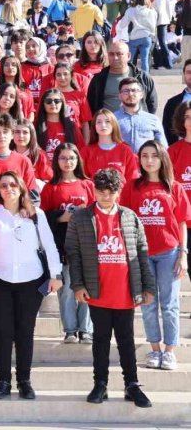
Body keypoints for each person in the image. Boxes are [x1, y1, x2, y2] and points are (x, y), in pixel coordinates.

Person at [65, 168, 155, 408]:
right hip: (98, 291)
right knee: (100, 340)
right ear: (94, 190)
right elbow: (73, 254)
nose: (106, 196)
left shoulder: (130, 217)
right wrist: (78, 285)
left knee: (126, 340)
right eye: (101, 191)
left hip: (125, 291)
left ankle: (132, 385)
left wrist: (148, 287)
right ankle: (100, 384)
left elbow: (142, 254)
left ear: (119, 192)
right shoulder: (81, 218)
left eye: (111, 191)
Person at [0, 171, 63, 400]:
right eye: (3, 186)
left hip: (31, 280)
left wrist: (56, 274)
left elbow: (49, 245)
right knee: (3, 332)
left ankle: (24, 381)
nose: (8, 189)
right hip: (0, 280)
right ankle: (3, 381)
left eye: (12, 185)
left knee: (25, 332)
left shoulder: (36, 214)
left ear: (21, 188)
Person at [121, 141, 189, 371]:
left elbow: (181, 223)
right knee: (148, 304)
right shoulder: (132, 187)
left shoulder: (174, 187)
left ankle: (170, 351)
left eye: (154, 156)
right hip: (142, 254)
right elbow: (125, 220)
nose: (149, 160)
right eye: (144, 156)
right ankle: (155, 349)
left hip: (169, 252)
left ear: (162, 158)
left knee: (169, 304)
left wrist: (183, 254)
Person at [41, 143, 96, 344]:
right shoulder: (50, 187)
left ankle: (85, 329)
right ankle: (70, 330)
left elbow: (97, 213)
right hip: (62, 246)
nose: (67, 162)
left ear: (77, 160)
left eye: (71, 158)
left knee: (87, 287)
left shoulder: (87, 184)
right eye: (63, 158)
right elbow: (43, 218)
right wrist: (60, 217)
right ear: (56, 160)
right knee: (66, 291)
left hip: (85, 245)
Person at [87, 40, 157, 115]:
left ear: (128, 56)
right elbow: (91, 104)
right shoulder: (98, 79)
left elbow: (152, 104)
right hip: (108, 125)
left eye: (119, 54)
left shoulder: (142, 77)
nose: (115, 58)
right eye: (111, 54)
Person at [80, 109, 140, 181]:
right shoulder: (86, 151)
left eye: (107, 121)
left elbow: (132, 179)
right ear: (94, 126)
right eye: (99, 122)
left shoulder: (125, 150)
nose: (103, 125)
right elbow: (82, 180)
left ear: (114, 125)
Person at [114, 77, 167, 152]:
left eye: (134, 90)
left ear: (141, 95)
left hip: (146, 162)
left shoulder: (153, 120)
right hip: (121, 162)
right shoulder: (112, 119)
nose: (130, 94)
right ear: (119, 96)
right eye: (126, 91)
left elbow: (163, 148)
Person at [115, 0, 157, 73]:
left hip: (134, 37)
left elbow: (123, 25)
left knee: (129, 59)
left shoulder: (131, 10)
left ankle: (129, 75)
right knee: (144, 60)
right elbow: (154, 24)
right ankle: (145, 79)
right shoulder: (152, 11)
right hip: (147, 37)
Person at [162, 58, 191, 144]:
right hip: (180, 153)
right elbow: (167, 130)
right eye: (189, 72)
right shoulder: (172, 103)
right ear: (184, 75)